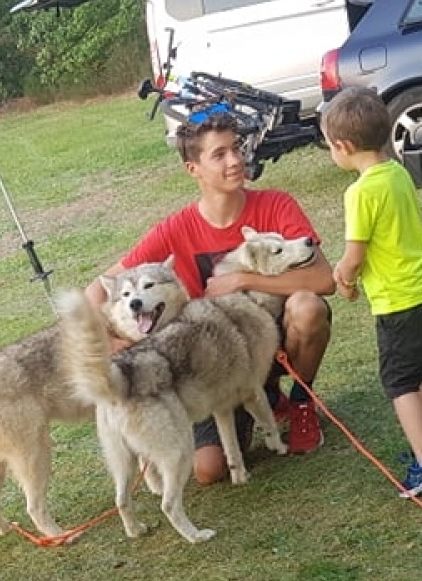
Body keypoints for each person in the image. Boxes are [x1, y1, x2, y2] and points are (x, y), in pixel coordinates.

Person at [87, 112, 335, 484]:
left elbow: (324, 279)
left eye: (236, 149)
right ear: (193, 168)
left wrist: (241, 279)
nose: (235, 160)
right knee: (207, 470)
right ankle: (263, 404)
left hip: (273, 338)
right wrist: (109, 341)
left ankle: (301, 403)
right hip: (216, 364)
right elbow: (96, 290)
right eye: (219, 155)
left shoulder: (276, 205)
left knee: (308, 307)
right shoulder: (175, 229)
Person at [323, 88, 422, 498]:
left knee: (399, 382)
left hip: (398, 302)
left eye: (329, 147)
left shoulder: (360, 192)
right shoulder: (398, 171)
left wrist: (345, 279)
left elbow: (355, 255)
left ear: (344, 146)